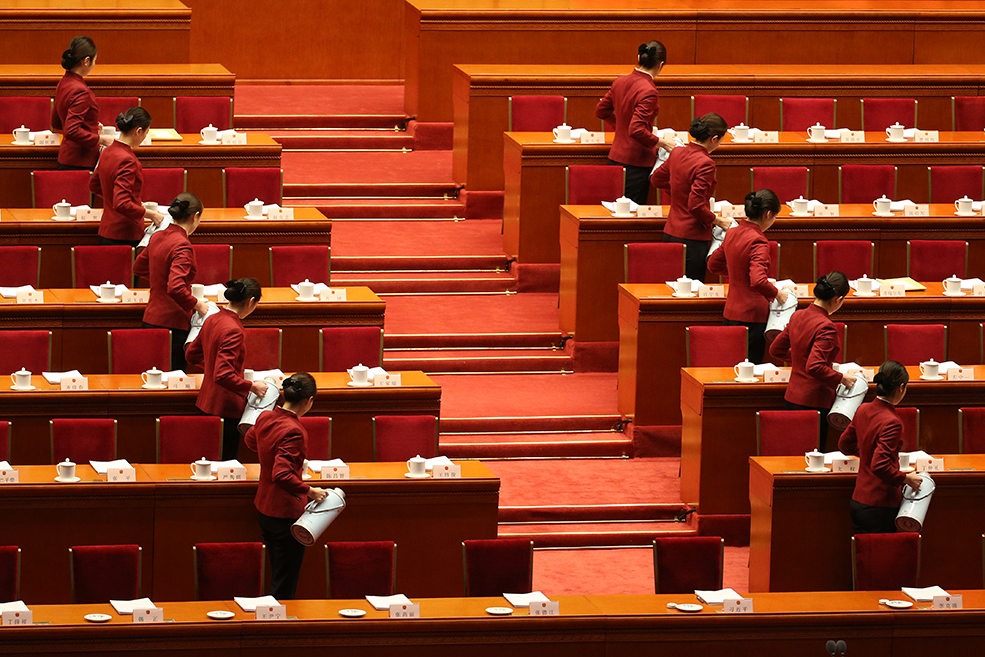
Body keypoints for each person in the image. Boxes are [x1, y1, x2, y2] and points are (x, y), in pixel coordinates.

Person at [245, 372, 328, 599]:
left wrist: (268, 451)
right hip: (284, 514)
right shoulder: (295, 431)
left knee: (279, 574)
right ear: (309, 401)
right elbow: (281, 474)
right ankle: (276, 629)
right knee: (285, 583)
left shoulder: (265, 417)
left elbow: (250, 440)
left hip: (264, 508)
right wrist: (310, 490)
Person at [769, 271, 857, 450]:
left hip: (793, 397)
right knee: (812, 460)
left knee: (794, 455)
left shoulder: (798, 315)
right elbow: (815, 366)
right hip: (813, 402)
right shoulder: (826, 326)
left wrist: (801, 358)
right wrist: (842, 378)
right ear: (838, 299)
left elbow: (776, 349)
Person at [185, 277, 268, 460]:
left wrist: (213, 364)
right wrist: (252, 386)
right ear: (251, 301)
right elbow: (223, 375)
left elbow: (191, 355)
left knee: (207, 459)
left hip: (205, 402)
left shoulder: (213, 319)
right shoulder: (233, 329)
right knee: (224, 464)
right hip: (225, 406)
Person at [839, 361, 923, 534]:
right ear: (901, 388)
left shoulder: (863, 409)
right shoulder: (892, 422)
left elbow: (844, 444)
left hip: (859, 500)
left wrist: (867, 452)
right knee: (880, 558)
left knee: (863, 556)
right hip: (880, 505)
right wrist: (905, 479)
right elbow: (880, 465)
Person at [707, 189, 788, 363]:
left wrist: (739, 272)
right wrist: (778, 294)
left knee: (731, 368)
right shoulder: (759, 240)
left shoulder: (732, 233)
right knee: (749, 372)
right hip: (752, 317)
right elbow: (758, 280)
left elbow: (713, 264)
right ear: (768, 214)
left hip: (730, 313)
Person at [650, 113, 731, 282]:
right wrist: (719, 221)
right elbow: (695, 206)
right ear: (714, 139)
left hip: (671, 231)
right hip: (693, 237)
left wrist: (678, 193)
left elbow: (657, 179)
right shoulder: (705, 163)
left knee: (671, 287)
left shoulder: (678, 152)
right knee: (691, 293)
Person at [133, 193, 209, 371]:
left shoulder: (158, 236)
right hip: (173, 324)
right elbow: (176, 287)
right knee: (172, 384)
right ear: (195, 216)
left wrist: (160, 277)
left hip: (151, 318)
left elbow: (138, 268)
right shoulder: (182, 244)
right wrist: (198, 305)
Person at [595, 40, 676, 205]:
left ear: (639, 57)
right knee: (630, 221)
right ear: (660, 65)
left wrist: (621, 127)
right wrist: (661, 142)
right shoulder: (649, 91)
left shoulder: (620, 81)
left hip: (615, 157)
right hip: (636, 163)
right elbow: (636, 129)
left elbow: (601, 111)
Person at [89, 107, 166, 246]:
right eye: (146, 133)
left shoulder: (107, 151)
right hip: (125, 234)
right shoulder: (128, 160)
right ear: (138, 131)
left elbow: (94, 185)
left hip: (106, 231)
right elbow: (122, 203)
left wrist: (117, 201)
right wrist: (152, 214)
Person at [52, 36, 114, 171]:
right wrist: (101, 139)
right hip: (80, 163)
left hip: (66, 159)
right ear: (86, 61)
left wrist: (90, 125)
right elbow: (72, 130)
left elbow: (57, 123)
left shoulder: (63, 83)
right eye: (94, 61)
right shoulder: (80, 91)